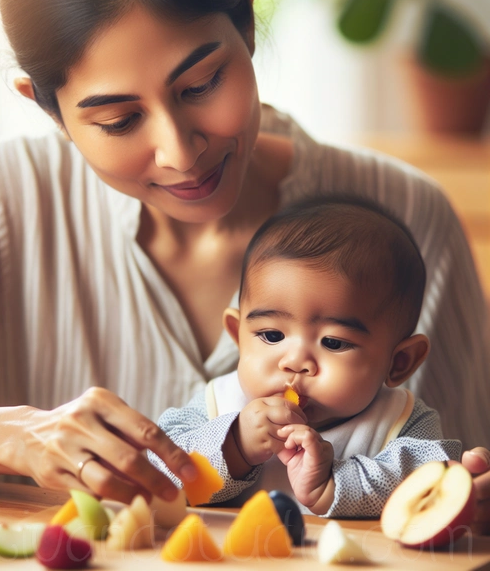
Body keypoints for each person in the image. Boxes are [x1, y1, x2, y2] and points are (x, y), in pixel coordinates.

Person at [0, 0, 488, 530]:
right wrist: (17, 436)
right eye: (121, 120)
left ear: (248, 25)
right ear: (48, 109)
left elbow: (453, 486)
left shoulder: (408, 214)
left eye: (201, 85)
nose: (179, 153)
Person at [150, 196, 461, 516]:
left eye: (334, 343)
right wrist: (234, 447)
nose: (295, 362)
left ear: (400, 362)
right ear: (238, 336)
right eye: (272, 336)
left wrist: (333, 482)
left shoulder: (401, 423)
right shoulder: (219, 404)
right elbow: (158, 473)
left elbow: (435, 484)